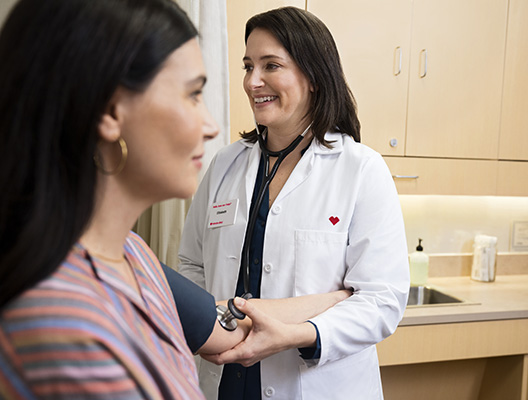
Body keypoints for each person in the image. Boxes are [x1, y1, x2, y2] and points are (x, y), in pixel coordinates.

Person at [0, 1, 349, 398]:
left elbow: (225, 323)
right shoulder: (65, 327)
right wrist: (341, 296)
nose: (210, 125)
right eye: (192, 94)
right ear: (111, 112)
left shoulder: (134, 257)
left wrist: (338, 300)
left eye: (270, 66)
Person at [178, 6, 410, 400]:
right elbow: (192, 264)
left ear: (315, 77)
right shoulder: (224, 165)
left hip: (314, 382)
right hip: (223, 378)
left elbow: (382, 299)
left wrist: (299, 333)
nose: (254, 81)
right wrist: (212, 327)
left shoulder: (360, 169)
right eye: (248, 66)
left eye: (272, 65)